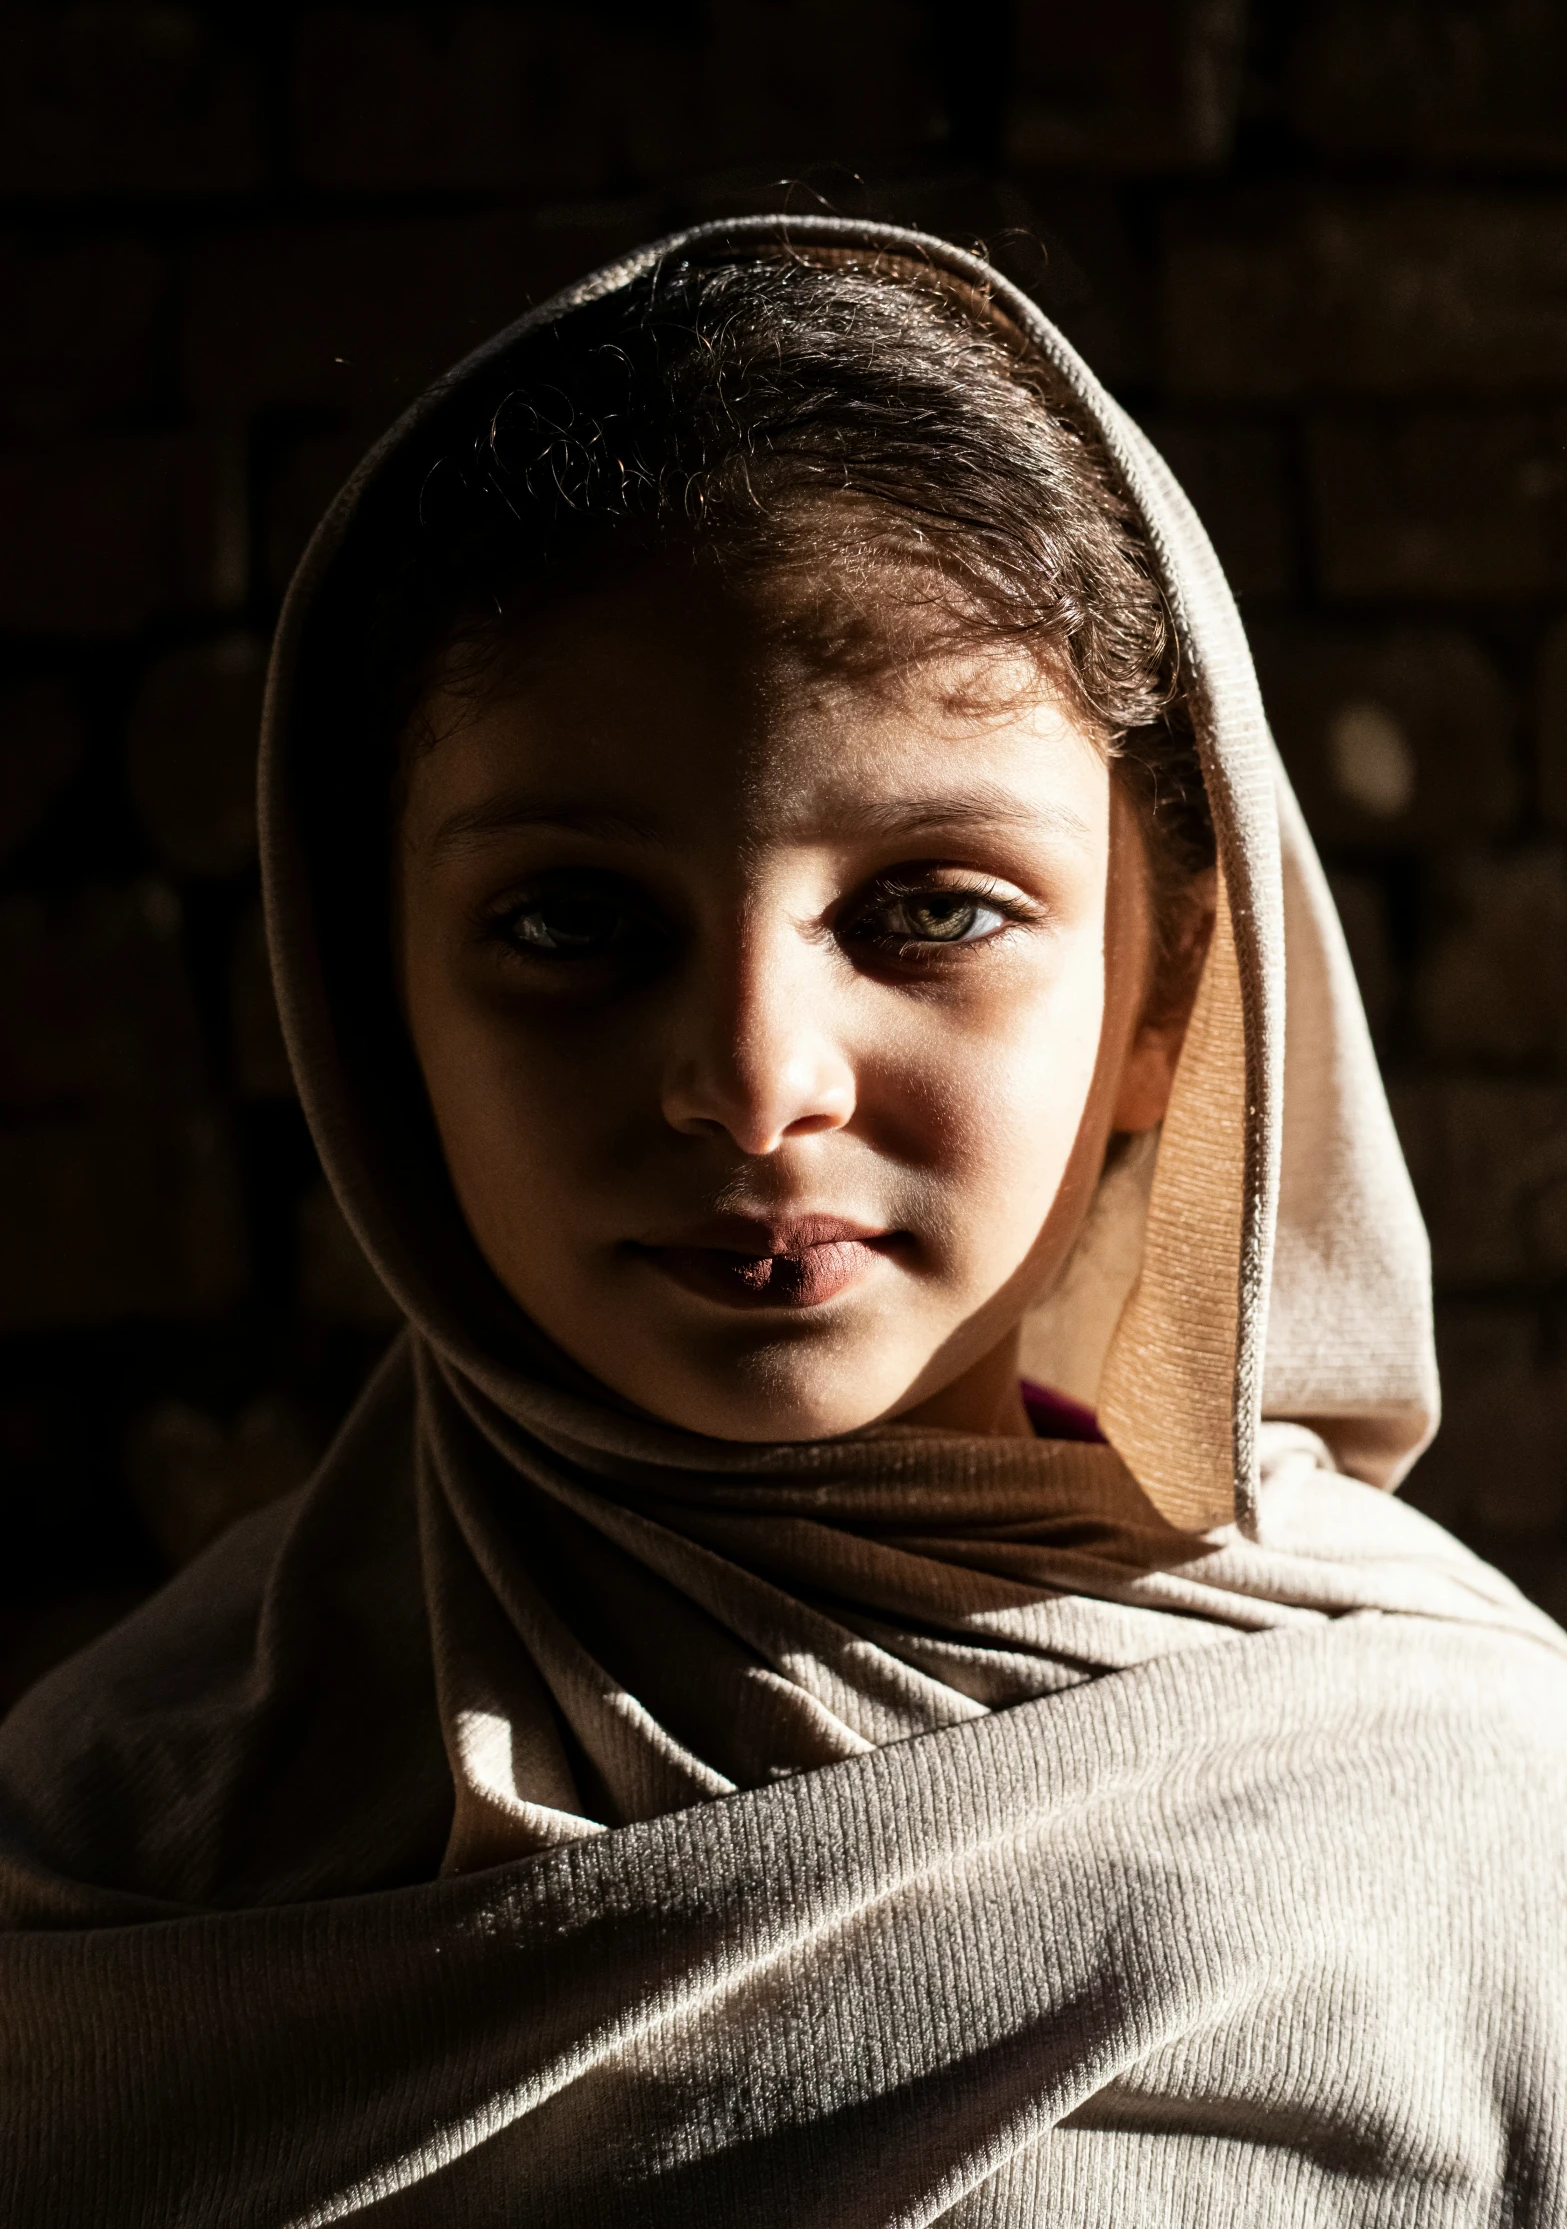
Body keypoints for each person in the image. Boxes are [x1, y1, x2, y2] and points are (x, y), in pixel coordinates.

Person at [3, 219, 1566, 2227]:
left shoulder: (1460, 1807)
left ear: (1175, 988)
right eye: (572, 923)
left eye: (931, 907)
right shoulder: (131, 1853)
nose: (752, 1082)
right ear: (372, 997)